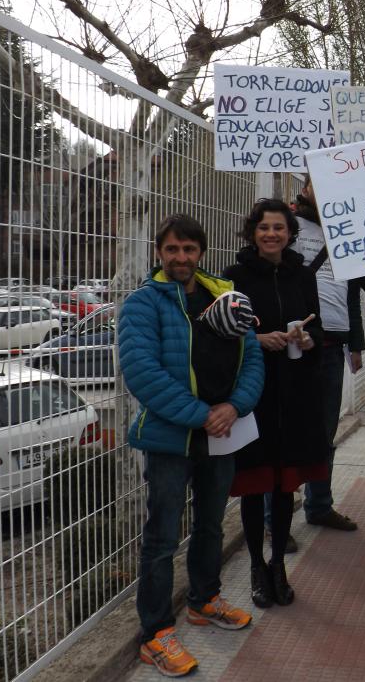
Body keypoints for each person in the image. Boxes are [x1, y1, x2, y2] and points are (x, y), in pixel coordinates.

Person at [119, 213, 264, 678]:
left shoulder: (225, 295)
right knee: (161, 539)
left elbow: (253, 357)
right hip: (171, 439)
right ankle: (156, 633)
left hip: (222, 434)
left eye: (189, 249)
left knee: (211, 526)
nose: (181, 258)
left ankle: (204, 600)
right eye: (172, 250)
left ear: (201, 251)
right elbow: (142, 372)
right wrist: (201, 415)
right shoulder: (143, 304)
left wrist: (234, 407)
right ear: (159, 253)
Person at [224, 198, 328, 609]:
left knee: (286, 486)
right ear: (253, 232)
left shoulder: (303, 275)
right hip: (254, 394)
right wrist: (256, 340)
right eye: (264, 227)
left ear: (289, 233)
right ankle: (255, 566)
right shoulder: (233, 276)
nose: (271, 234)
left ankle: (278, 563)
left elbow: (317, 327)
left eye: (279, 228)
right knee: (254, 486)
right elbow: (223, 333)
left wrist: (307, 339)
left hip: (296, 394)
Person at [291, 178, 365, 531]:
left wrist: (355, 343)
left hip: (330, 348)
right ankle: (276, 519)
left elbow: (356, 289)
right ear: (307, 187)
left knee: (324, 432)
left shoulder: (348, 228)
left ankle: (320, 506)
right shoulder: (289, 223)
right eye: (317, 181)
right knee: (288, 431)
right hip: (294, 345)